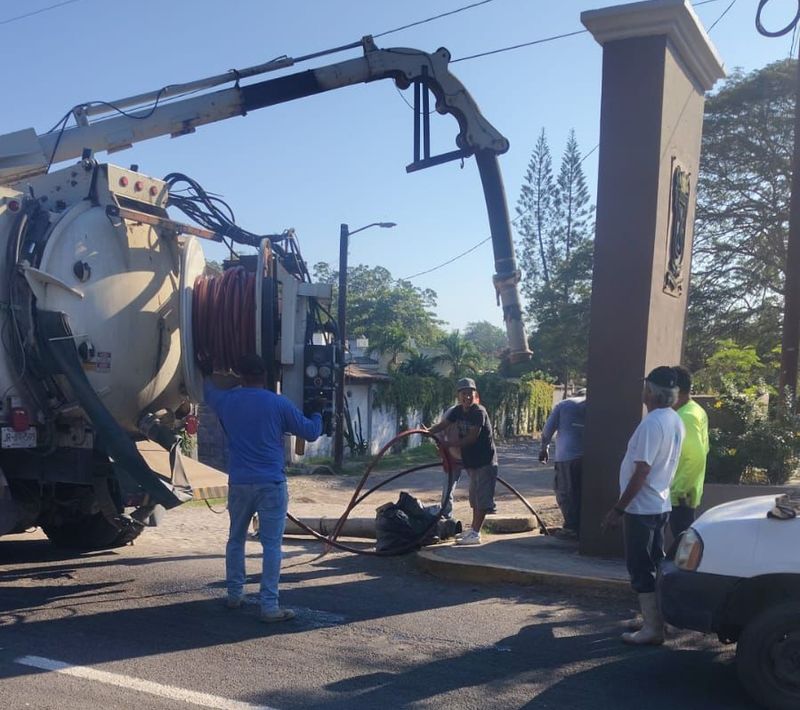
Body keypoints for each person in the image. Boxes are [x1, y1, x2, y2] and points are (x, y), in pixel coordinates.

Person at [202, 353, 323, 623]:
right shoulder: (278, 403)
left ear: (241, 376)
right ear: (266, 376)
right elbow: (312, 432)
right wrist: (317, 409)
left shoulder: (226, 401)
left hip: (240, 483)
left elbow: (207, 389)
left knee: (236, 539)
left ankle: (234, 595)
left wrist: (208, 370)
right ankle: (269, 607)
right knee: (271, 546)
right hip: (271, 484)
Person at [602, 366, 684, 645]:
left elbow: (641, 472)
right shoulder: (674, 419)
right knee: (656, 562)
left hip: (642, 508)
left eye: (645, 386)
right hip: (660, 503)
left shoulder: (652, 424)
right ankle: (659, 620)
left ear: (650, 391)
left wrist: (618, 509)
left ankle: (652, 628)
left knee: (640, 566)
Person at [427, 378, 498, 546]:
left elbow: (471, 437)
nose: (467, 397)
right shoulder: (458, 411)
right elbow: (443, 425)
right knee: (474, 498)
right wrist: (427, 431)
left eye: (469, 394)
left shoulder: (478, 412)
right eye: (463, 394)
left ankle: (476, 533)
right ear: (458, 396)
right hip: (472, 463)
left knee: (481, 499)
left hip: (485, 461)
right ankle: (473, 530)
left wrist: (448, 444)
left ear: (475, 395)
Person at [539, 390, 587, 539]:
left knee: (565, 491)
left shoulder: (563, 405)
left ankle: (571, 528)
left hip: (567, 456)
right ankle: (581, 526)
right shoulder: (592, 404)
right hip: (589, 457)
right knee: (581, 492)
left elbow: (547, 430)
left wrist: (544, 448)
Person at [669, 366, 709, 540]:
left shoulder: (687, 416)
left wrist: (680, 490)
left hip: (680, 495)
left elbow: (695, 457)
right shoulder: (693, 410)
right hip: (683, 492)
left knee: (682, 542)